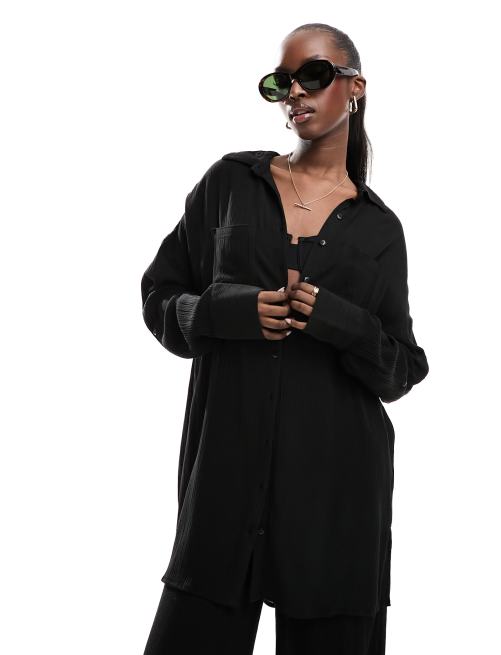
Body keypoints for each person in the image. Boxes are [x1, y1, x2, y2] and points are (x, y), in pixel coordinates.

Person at [140, 22, 429, 655]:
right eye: (281, 82)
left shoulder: (380, 230)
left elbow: (403, 368)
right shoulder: (229, 184)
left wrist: (340, 321)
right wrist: (222, 311)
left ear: (355, 87)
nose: (295, 92)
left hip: (336, 502)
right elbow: (159, 294)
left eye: (314, 76)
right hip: (224, 493)